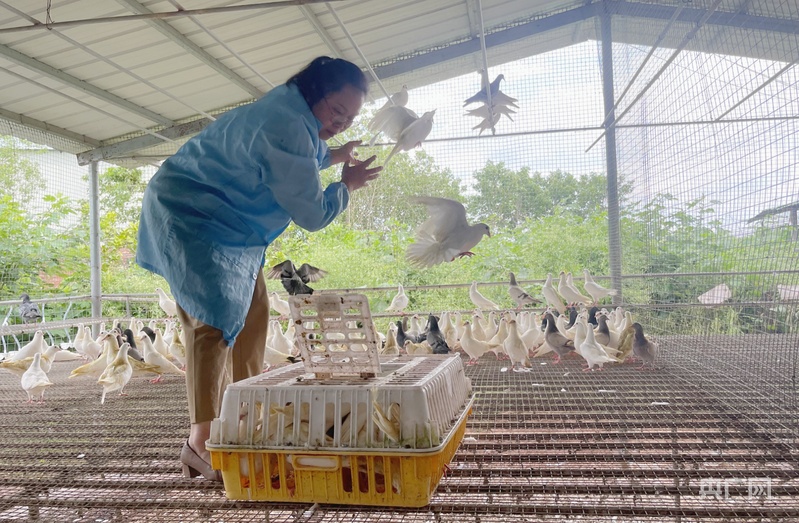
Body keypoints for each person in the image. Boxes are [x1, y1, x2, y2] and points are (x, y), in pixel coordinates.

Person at [136, 56, 381, 481]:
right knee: (210, 325)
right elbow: (312, 212)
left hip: (232, 227)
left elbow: (290, 155)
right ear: (310, 94)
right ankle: (201, 443)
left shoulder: (291, 116)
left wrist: (329, 153)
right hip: (190, 215)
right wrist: (346, 186)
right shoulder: (285, 124)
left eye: (350, 117)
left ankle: (243, 420)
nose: (341, 122)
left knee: (253, 316)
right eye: (336, 111)